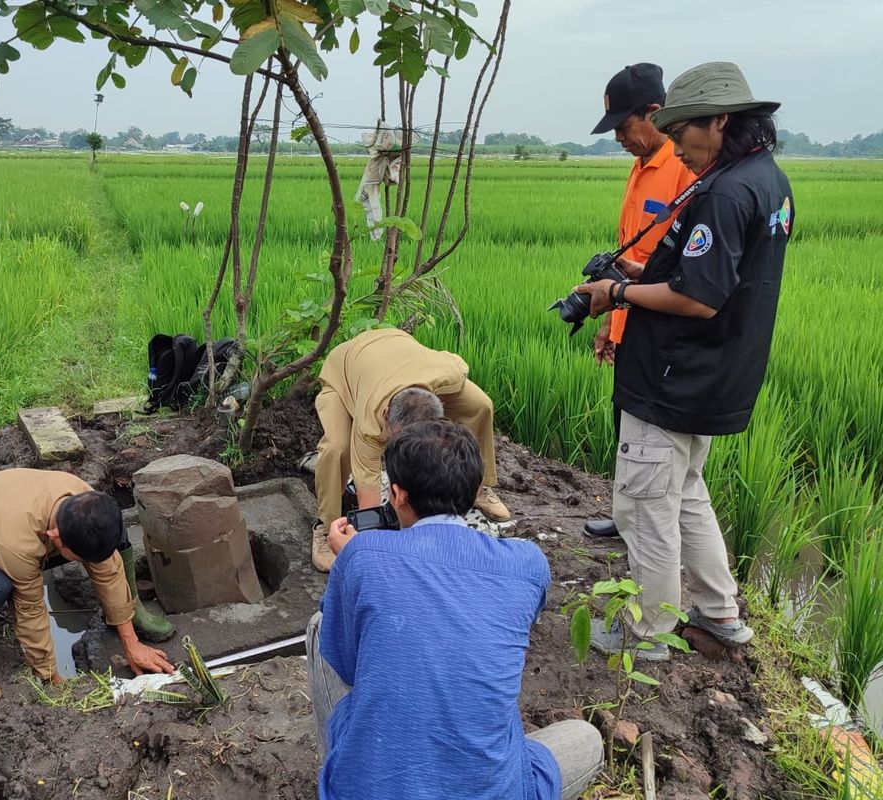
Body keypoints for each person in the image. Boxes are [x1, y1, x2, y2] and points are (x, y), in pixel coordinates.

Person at [573, 62, 792, 658]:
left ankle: (646, 634)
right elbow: (721, 276)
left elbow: (698, 297)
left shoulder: (724, 192)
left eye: (686, 130)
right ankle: (721, 614)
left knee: (644, 505)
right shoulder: (767, 180)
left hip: (672, 377)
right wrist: (639, 272)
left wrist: (615, 293)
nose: (677, 143)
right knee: (687, 492)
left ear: (721, 120)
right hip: (718, 375)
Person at [307, 420, 602, 799]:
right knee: (585, 737)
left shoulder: (363, 554)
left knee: (322, 624)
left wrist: (352, 565)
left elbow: (348, 665)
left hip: (370, 789)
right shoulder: (528, 564)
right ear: (474, 490)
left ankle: (346, 764)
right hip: (492, 788)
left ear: (397, 494)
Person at [0, 468, 176, 683]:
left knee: (110, 538)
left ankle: (131, 611)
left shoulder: (83, 498)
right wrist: (49, 675)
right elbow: (30, 608)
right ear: (55, 537)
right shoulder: (17, 542)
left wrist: (132, 642)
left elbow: (108, 568)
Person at [584, 63, 696, 540]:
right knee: (624, 423)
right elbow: (629, 254)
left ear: (653, 112)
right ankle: (625, 513)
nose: (619, 138)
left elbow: (679, 270)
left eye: (624, 126)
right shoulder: (640, 165)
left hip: (662, 325)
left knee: (652, 438)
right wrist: (611, 324)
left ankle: (645, 524)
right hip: (629, 311)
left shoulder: (683, 169)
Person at [311, 327, 510, 572]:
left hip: (397, 346)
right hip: (344, 370)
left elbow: (473, 402)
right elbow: (367, 485)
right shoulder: (371, 422)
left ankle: (479, 488)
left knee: (481, 405)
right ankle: (324, 524)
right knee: (337, 448)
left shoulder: (451, 376)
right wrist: (368, 540)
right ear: (386, 416)